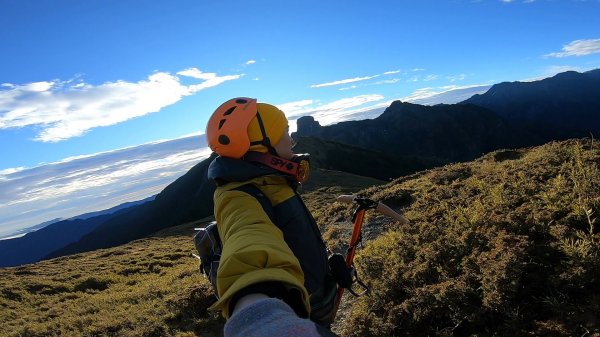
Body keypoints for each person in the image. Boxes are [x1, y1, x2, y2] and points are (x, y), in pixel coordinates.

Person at [205, 98, 339, 336]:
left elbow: (294, 239)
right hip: (296, 310)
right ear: (260, 143)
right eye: (285, 131)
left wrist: (327, 274)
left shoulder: (269, 181)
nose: (291, 139)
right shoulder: (237, 196)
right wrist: (259, 315)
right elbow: (249, 237)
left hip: (312, 302)